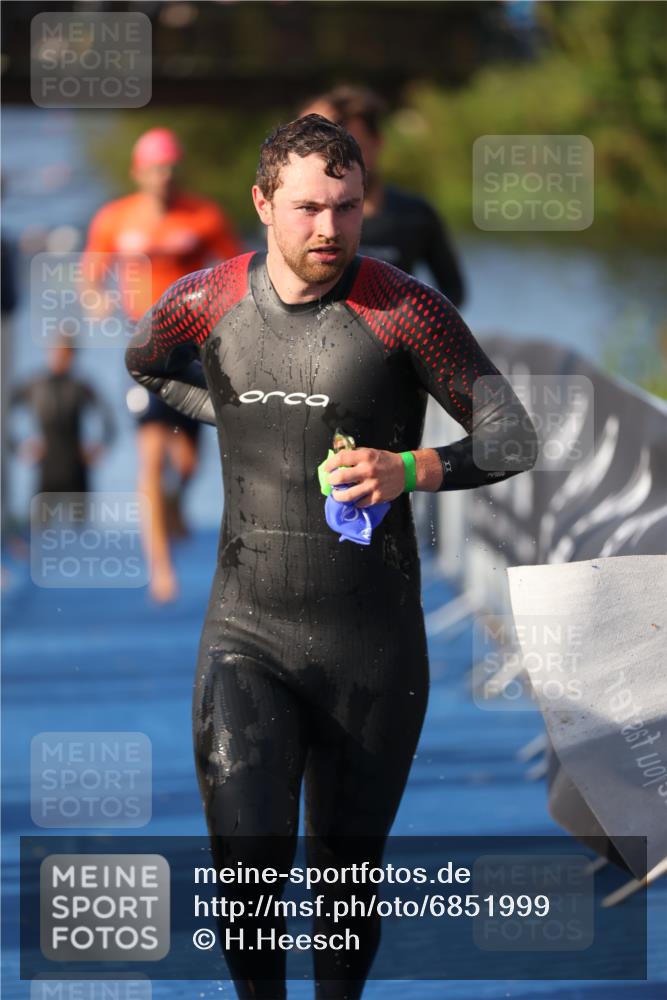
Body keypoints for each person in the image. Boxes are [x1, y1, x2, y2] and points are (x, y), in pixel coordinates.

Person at [125, 115, 537, 999]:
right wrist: (231, 411)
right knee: (246, 874)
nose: (330, 228)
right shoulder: (204, 299)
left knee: (344, 883)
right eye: (309, 207)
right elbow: (145, 363)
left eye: (347, 208)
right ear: (261, 203)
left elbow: (512, 437)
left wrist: (410, 468)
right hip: (245, 634)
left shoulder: (404, 309)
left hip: (371, 646)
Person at [83, 127, 243, 602]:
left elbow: (238, 272)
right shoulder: (115, 218)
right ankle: (160, 568)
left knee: (188, 461)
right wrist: (97, 300)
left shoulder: (203, 215)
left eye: (171, 168)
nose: (164, 177)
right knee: (151, 455)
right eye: (155, 169)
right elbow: (90, 276)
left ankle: (175, 500)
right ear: (139, 172)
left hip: (194, 348)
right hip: (144, 347)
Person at [300, 85, 465, 305]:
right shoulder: (294, 217)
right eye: (325, 149)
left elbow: (453, 292)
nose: (339, 161)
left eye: (351, 148)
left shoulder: (417, 215)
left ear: (378, 142)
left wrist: (412, 318)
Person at [11, 338, 115, 510]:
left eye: (65, 353)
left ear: (73, 356)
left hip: (76, 469)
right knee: (40, 522)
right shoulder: (34, 386)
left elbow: (109, 419)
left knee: (79, 523)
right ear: (48, 353)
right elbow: (7, 412)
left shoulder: (81, 386)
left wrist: (98, 447)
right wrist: (18, 446)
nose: (59, 357)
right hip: (46, 470)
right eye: (55, 352)